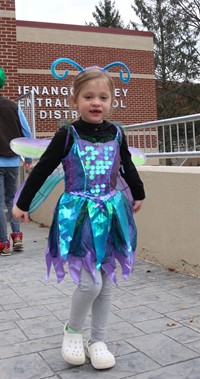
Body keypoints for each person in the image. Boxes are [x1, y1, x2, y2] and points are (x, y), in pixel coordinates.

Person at [12, 61, 145, 370]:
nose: (95, 102)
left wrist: (138, 193)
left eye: (102, 97)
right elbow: (43, 167)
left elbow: (126, 165)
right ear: (75, 101)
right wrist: (23, 202)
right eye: (88, 97)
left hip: (111, 212)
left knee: (107, 283)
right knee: (90, 284)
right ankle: (72, 330)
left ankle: (97, 339)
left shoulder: (117, 134)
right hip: (78, 217)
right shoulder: (67, 134)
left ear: (112, 101)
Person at [0, 67, 32, 256]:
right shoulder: (14, 106)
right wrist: (27, 158)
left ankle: (3, 244)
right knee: (12, 200)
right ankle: (17, 235)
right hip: (13, 162)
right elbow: (26, 133)